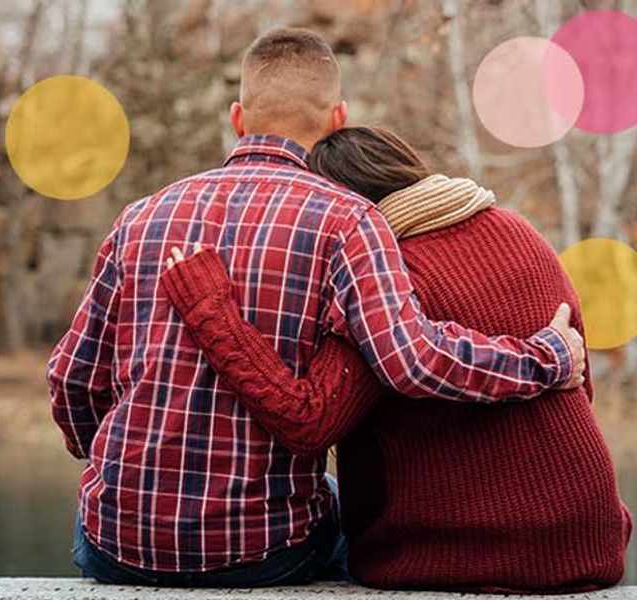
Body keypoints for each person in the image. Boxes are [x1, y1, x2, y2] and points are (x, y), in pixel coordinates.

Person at [47, 28, 586, 588]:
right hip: (261, 551)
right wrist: (543, 359)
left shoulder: (140, 218)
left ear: (237, 119)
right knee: (340, 505)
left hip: (116, 541)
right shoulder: (350, 221)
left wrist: (120, 470)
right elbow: (411, 360)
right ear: (338, 118)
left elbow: (70, 379)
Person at [161, 126, 631, 593]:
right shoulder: (521, 231)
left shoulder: (384, 280)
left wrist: (212, 313)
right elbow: (580, 384)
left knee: (300, 520)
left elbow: (309, 420)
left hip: (457, 550)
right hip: (591, 540)